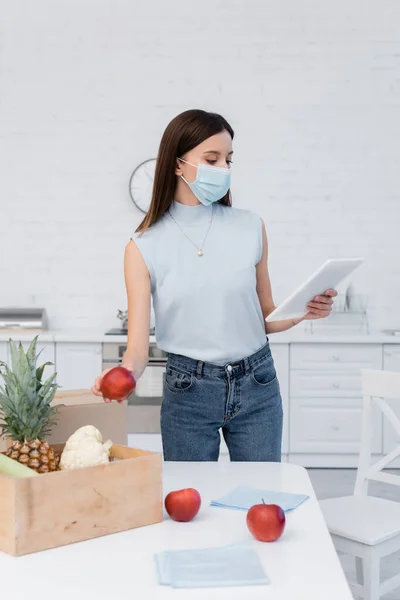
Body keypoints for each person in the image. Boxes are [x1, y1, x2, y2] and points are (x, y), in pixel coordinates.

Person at [92, 109, 337, 462]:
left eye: (228, 159)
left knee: (261, 496)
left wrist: (303, 312)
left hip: (258, 383)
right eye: (212, 159)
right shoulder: (144, 247)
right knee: (191, 504)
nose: (223, 168)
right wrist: (121, 377)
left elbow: (265, 317)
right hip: (188, 389)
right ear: (178, 164)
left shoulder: (251, 227)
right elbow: (137, 350)